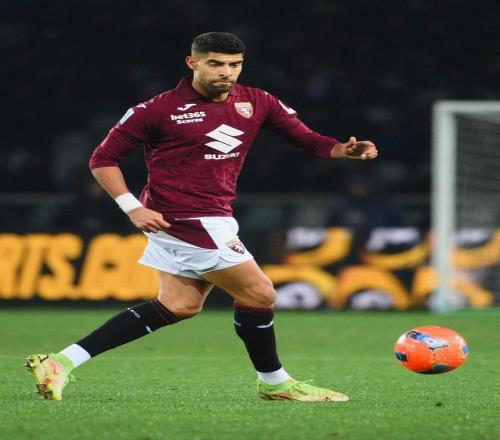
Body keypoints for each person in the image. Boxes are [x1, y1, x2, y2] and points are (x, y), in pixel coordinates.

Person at [26, 32, 378, 402]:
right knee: (260, 293)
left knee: (179, 305)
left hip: (213, 214)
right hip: (185, 218)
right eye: (216, 63)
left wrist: (342, 150)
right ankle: (275, 383)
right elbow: (102, 159)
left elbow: (308, 140)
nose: (227, 72)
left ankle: (60, 362)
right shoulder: (157, 110)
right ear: (192, 63)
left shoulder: (257, 101)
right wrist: (132, 207)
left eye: (234, 64)